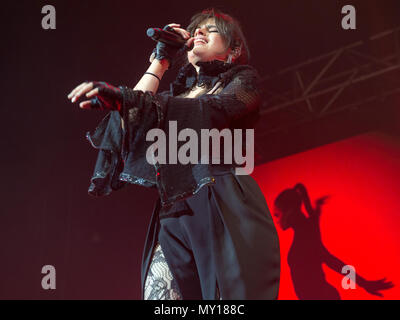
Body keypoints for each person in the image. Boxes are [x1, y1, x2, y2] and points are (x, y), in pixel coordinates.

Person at [68, 8, 281, 300]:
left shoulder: (242, 83)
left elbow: (215, 111)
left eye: (211, 29)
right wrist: (161, 59)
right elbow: (130, 122)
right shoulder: (170, 99)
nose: (200, 32)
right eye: (197, 30)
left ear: (234, 50)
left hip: (225, 204)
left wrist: (126, 98)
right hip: (175, 211)